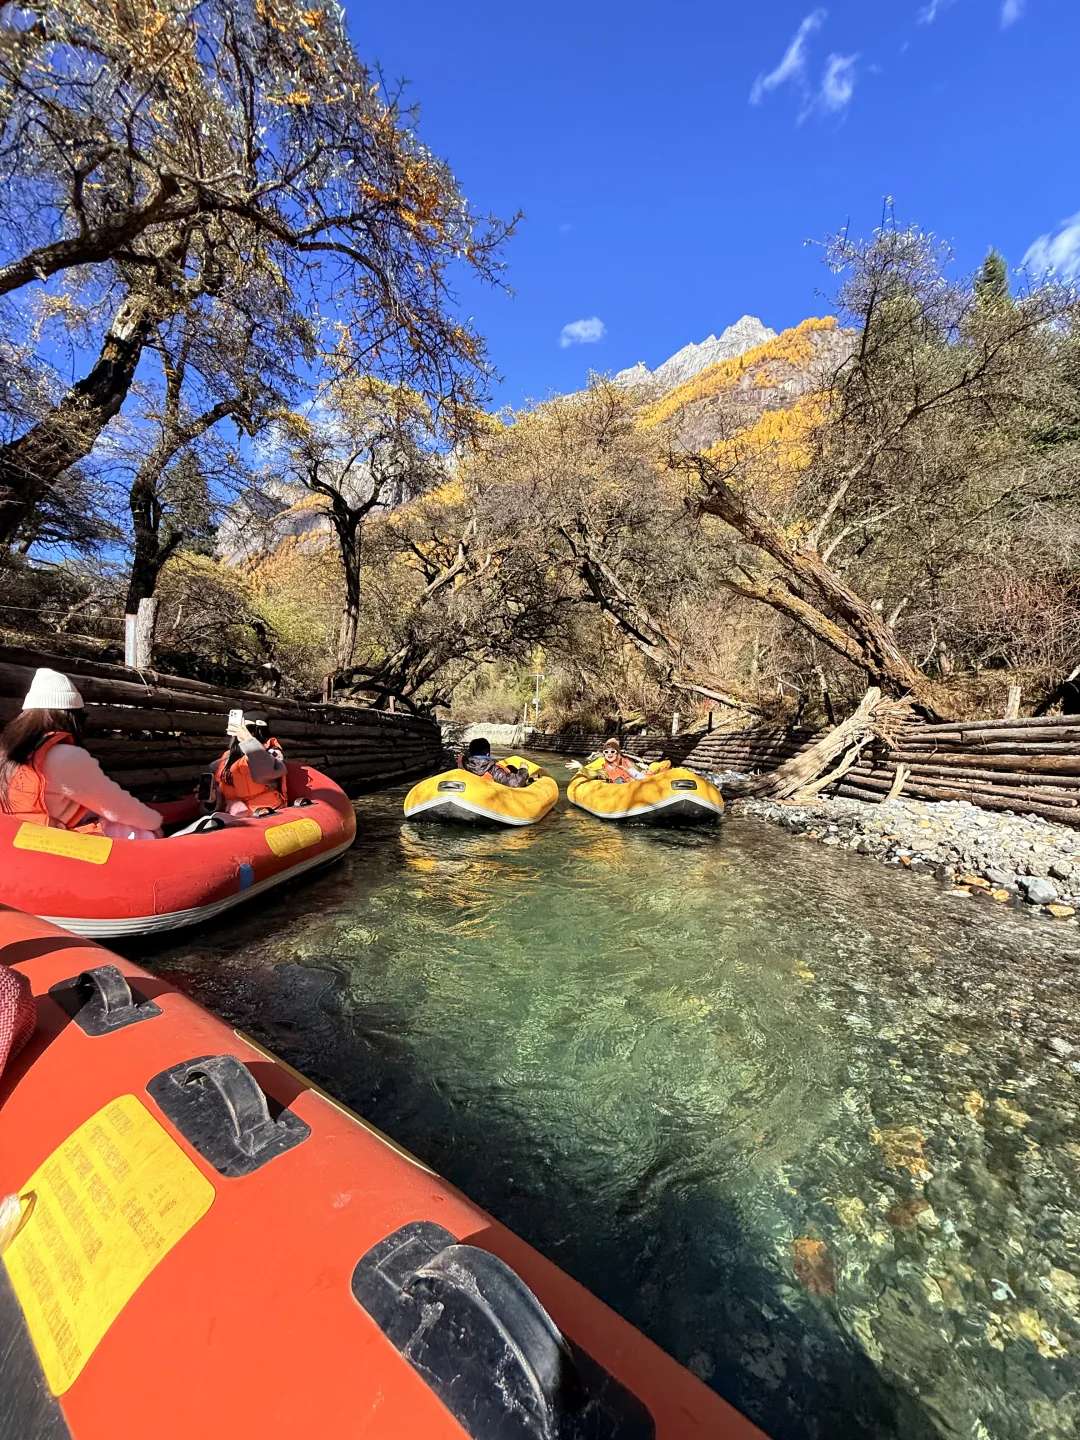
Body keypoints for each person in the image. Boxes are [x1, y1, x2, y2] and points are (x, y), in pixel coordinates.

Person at [0, 668, 163, 838]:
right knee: (143, 832)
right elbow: (115, 806)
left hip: (16, 837)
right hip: (50, 843)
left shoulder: (8, 749)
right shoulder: (65, 756)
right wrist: (155, 822)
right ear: (73, 717)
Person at [211, 710, 288, 816]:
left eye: (247, 728)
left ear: (259, 730)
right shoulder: (227, 757)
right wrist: (213, 800)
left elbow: (265, 773)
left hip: (264, 813)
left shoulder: (272, 752)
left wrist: (248, 741)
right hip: (233, 814)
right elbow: (223, 792)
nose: (242, 732)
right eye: (240, 728)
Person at [458, 737, 530, 788]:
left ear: (470, 752)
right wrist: (523, 769)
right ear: (488, 754)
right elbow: (516, 782)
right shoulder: (492, 768)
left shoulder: (462, 764)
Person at [582, 738, 647, 784]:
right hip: (618, 791)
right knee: (619, 780)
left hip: (633, 787)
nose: (609, 753)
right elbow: (594, 774)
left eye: (612, 751)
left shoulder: (627, 763)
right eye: (606, 752)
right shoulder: (604, 769)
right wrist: (582, 768)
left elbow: (641, 772)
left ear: (617, 753)